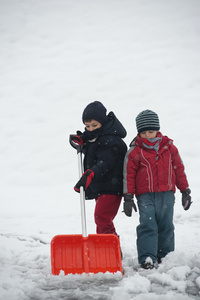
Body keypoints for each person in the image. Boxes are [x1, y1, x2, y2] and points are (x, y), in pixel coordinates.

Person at [123, 109, 192, 269]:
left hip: (167, 194)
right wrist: (128, 197)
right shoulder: (135, 151)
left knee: (166, 224)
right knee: (148, 225)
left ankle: (165, 255)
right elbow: (128, 175)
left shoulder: (169, 147)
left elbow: (179, 169)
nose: (148, 135)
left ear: (157, 130)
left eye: (151, 131)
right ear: (139, 132)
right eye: (144, 132)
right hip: (145, 196)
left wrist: (185, 190)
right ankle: (147, 256)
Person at [70, 101, 127, 237]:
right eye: (87, 126)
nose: (90, 129)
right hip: (102, 184)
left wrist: (91, 173)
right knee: (101, 218)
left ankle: (111, 246)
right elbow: (95, 153)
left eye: (94, 125)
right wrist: (82, 142)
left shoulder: (112, 140)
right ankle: (105, 247)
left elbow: (106, 162)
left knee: (102, 217)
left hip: (112, 185)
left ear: (103, 122)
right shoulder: (97, 137)